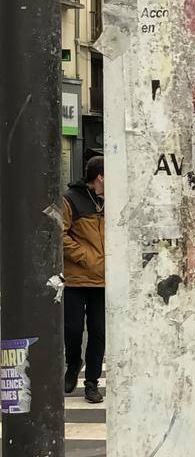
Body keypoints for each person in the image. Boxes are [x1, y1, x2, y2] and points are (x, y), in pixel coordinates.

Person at [62, 154, 105, 402]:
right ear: (100, 176)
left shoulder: (111, 200)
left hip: (103, 281)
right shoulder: (70, 200)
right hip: (76, 279)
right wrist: (85, 256)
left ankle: (92, 382)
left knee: (99, 332)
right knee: (74, 329)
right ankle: (73, 363)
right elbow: (59, 233)